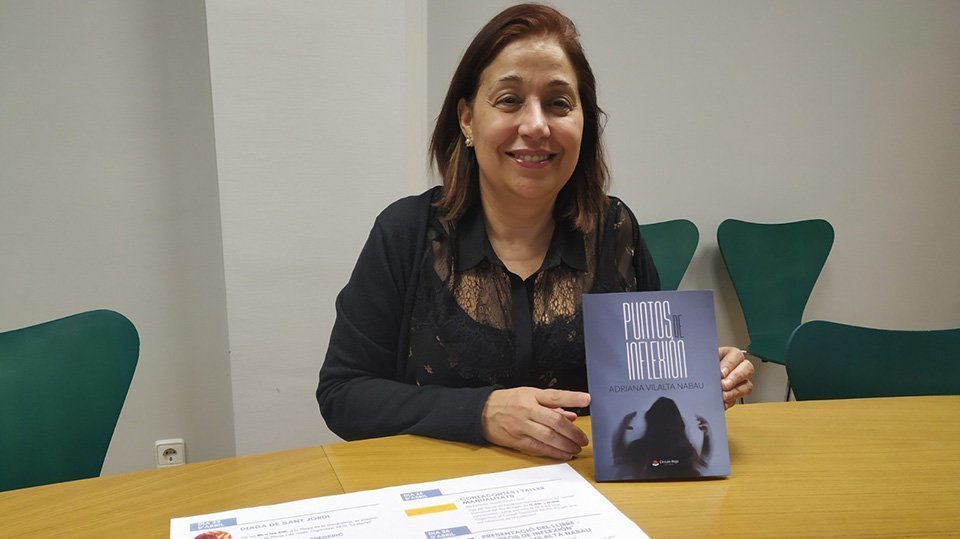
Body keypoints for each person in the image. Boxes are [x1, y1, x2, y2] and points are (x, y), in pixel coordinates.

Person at [316, 3, 754, 461]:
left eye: (559, 103)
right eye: (509, 100)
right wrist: (482, 412)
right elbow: (343, 394)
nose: (537, 125)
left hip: (585, 491)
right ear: (467, 119)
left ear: (584, 122)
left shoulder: (615, 231)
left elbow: (650, 387)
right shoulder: (406, 232)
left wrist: (700, 377)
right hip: (439, 492)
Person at [612, 397, 711, 479]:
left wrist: (623, 427)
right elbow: (701, 461)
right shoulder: (685, 451)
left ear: (651, 421)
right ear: (678, 424)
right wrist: (706, 434)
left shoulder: (639, 448)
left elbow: (621, 458)